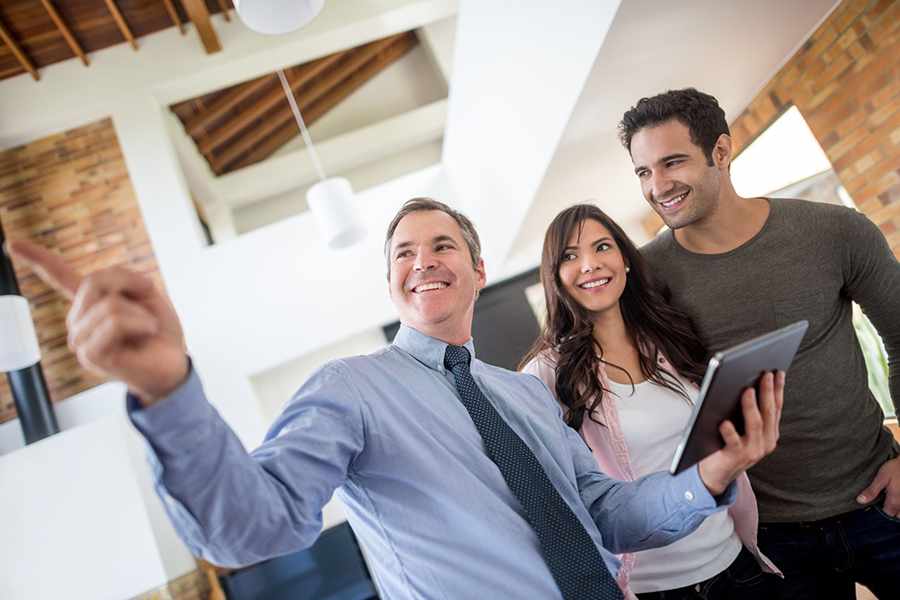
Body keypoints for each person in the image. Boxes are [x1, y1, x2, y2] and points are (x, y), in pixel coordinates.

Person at [9, 198, 781, 600]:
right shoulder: (350, 391)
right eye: (403, 254)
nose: (423, 261)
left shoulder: (526, 394)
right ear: (392, 284)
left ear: (477, 270)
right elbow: (252, 526)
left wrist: (711, 475)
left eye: (442, 245)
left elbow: (606, 515)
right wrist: (168, 391)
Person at [618, 87, 900, 599]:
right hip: (768, 536)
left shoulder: (833, 231)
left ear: (720, 152)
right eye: (643, 172)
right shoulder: (645, 277)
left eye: (672, 162)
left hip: (882, 497)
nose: (657, 186)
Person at [521, 203, 782, 599]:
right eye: (570, 256)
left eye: (602, 247)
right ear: (555, 277)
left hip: (734, 561)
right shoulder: (544, 375)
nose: (590, 264)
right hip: (654, 587)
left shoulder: (668, 337)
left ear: (625, 259)